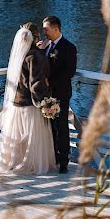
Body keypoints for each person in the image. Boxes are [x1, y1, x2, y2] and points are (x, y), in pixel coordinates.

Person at [0, 23, 57, 174]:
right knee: (32, 139)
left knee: (16, 137)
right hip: (30, 105)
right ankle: (33, 164)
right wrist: (45, 103)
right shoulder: (36, 56)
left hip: (16, 104)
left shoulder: (18, 56)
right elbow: (36, 85)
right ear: (35, 37)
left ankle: (13, 162)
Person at [39, 16, 77, 173]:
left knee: (61, 126)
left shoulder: (69, 47)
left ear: (56, 29)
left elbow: (69, 72)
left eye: (46, 29)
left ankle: (63, 161)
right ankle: (53, 156)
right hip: (48, 95)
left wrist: (50, 81)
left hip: (61, 94)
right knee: (50, 127)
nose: (44, 32)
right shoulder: (46, 46)